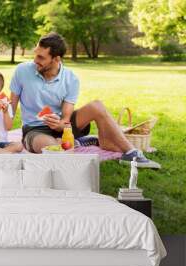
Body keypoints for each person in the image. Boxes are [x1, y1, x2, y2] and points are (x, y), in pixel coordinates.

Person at [9, 32, 160, 168]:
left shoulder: (70, 78)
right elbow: (11, 108)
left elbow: (67, 119)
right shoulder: (22, 71)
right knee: (57, 152)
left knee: (97, 106)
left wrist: (60, 125)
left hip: (62, 126)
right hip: (34, 130)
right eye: (36, 54)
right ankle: (79, 142)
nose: (35, 60)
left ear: (56, 59)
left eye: (41, 57)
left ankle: (132, 154)